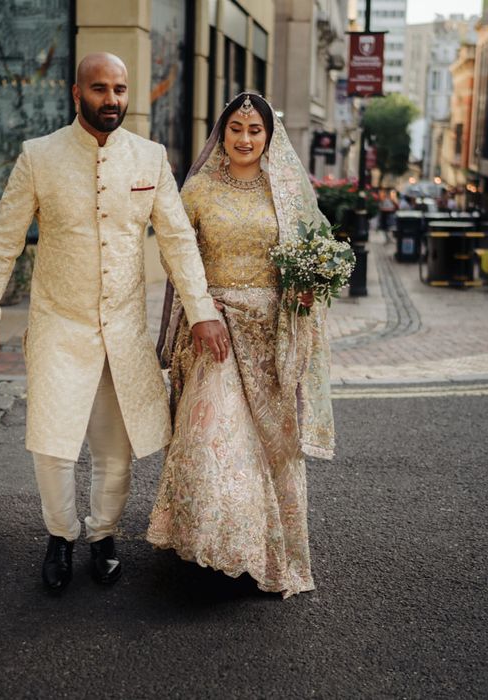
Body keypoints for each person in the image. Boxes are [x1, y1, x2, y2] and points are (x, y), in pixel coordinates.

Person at [0, 53, 228, 593]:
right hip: (59, 325)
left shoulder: (150, 157)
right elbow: (3, 239)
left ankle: (103, 534)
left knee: (116, 447)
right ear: (76, 92)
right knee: (53, 444)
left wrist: (202, 310)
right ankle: (60, 537)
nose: (112, 99)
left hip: (124, 330)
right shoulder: (38, 157)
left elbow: (178, 241)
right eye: (100, 89)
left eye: (120, 89)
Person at [147, 93, 335, 599]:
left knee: (267, 446)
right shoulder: (200, 189)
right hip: (216, 331)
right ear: (222, 131)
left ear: (269, 137)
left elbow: (312, 252)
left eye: (255, 130)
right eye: (236, 128)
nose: (245, 138)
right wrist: (204, 307)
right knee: (216, 433)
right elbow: (175, 254)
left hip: (271, 334)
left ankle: (259, 550)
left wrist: (305, 284)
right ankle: (212, 543)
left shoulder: (287, 192)